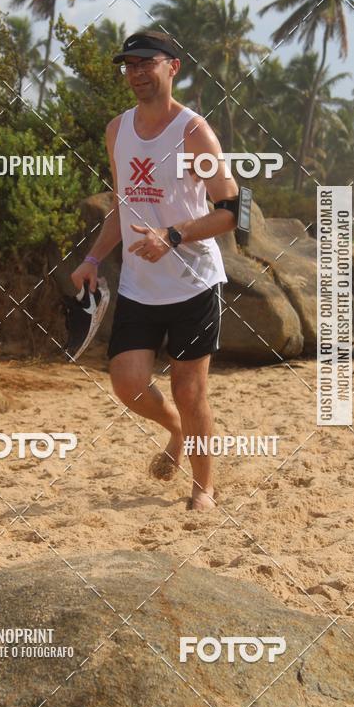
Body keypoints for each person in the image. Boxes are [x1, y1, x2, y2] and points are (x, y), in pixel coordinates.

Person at [70, 30, 238, 510]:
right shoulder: (116, 130)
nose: (137, 73)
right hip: (139, 286)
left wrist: (174, 235)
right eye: (130, 65)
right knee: (127, 384)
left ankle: (203, 488)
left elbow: (232, 211)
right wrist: (91, 259)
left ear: (172, 67)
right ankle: (177, 430)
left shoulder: (193, 132)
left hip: (193, 283)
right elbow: (121, 206)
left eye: (147, 63)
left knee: (189, 389)